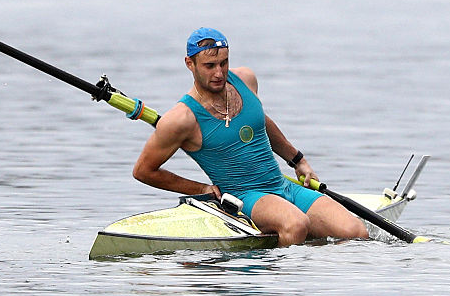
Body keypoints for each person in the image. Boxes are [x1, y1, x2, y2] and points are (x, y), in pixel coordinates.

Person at [132, 27, 368, 246]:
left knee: (357, 233)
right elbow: (143, 170)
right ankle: (283, 284)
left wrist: (298, 160)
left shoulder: (245, 78)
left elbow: (259, 121)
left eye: (224, 63)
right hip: (244, 197)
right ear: (189, 64)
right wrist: (200, 188)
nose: (219, 73)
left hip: (282, 186)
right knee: (296, 225)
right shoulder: (181, 119)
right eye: (210, 65)